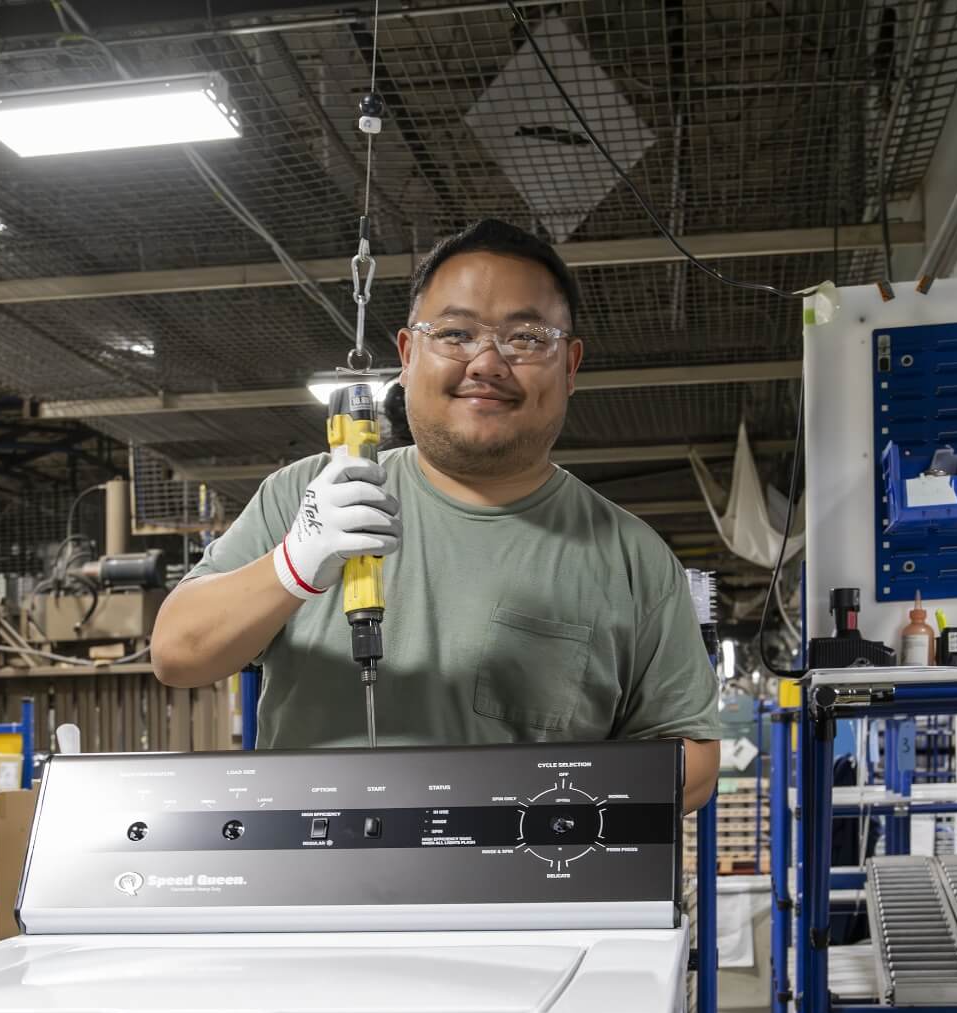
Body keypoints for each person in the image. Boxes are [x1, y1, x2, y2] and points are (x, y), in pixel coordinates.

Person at [152, 218, 722, 811]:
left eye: (526, 338)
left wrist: (530, 819)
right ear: (407, 353)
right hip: (315, 887)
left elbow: (693, 759)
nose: (487, 363)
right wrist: (293, 566)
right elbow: (178, 653)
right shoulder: (307, 493)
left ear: (571, 366)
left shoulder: (630, 555)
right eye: (455, 333)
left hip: (521, 891)